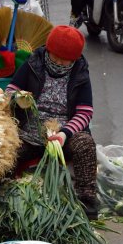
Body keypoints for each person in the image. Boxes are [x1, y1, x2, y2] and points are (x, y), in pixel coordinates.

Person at [8, 25, 98, 218]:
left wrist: (64, 134)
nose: (57, 62)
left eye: (64, 61)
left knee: (86, 145)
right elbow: (10, 90)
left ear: (74, 60)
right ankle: (2, 196)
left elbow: (85, 112)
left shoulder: (80, 72)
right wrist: (18, 98)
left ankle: (87, 202)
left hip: (62, 134)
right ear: (47, 50)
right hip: (28, 133)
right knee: (6, 150)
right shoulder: (34, 63)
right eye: (54, 57)